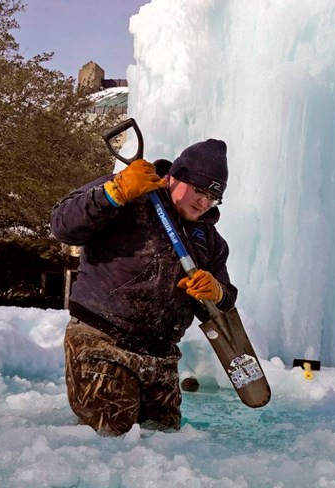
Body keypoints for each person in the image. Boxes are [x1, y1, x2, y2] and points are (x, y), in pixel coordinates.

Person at [50, 139, 237, 436]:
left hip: (161, 358)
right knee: (110, 442)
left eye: (213, 198)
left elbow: (225, 302)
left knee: (164, 448)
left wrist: (216, 292)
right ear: (174, 176)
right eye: (199, 190)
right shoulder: (130, 191)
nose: (204, 202)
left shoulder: (210, 242)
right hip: (103, 342)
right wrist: (113, 194)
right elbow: (62, 225)